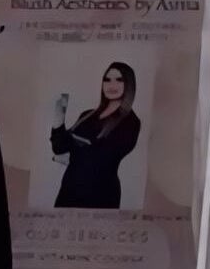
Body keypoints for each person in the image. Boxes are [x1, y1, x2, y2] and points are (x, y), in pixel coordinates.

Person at [49, 62, 141, 209]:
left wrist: (73, 153)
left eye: (119, 79)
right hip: (69, 190)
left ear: (129, 84)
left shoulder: (131, 122)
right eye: (107, 79)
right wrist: (58, 116)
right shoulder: (87, 115)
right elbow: (59, 147)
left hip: (100, 194)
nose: (111, 84)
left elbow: (104, 158)